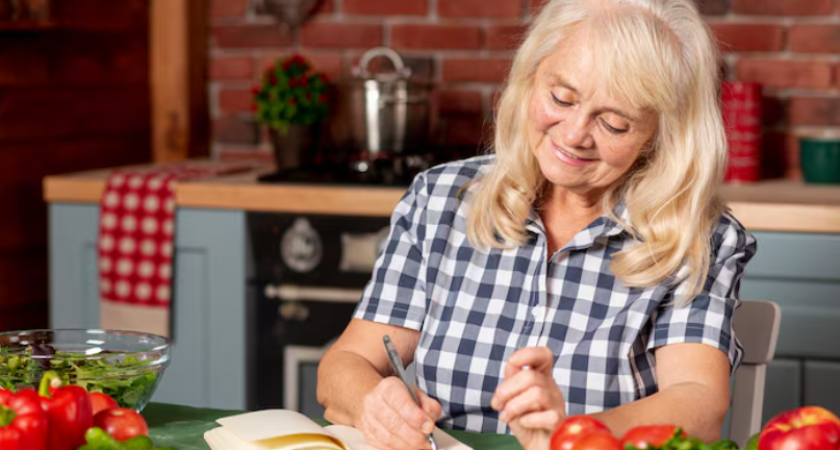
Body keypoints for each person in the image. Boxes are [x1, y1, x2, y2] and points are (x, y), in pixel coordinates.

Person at [317, 0, 757, 449]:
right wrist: (374, 403)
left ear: (660, 135)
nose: (574, 135)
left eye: (614, 123)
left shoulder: (697, 237)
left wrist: (570, 434)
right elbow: (345, 363)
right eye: (561, 98)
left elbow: (698, 405)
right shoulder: (442, 198)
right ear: (530, 78)